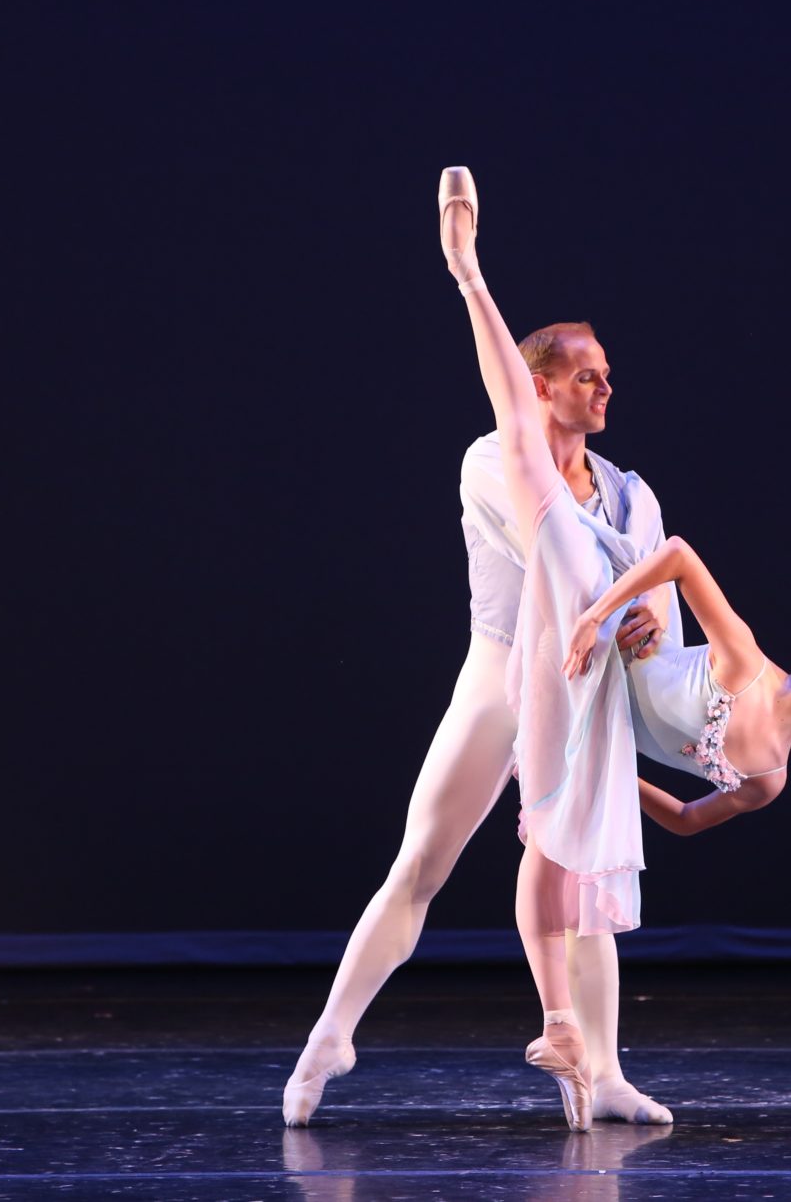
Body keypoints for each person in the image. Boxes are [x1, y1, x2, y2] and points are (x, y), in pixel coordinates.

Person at [437, 166, 791, 1129]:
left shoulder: (771, 777)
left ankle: (589, 1062)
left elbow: (685, 821)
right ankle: (467, 272)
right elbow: (679, 556)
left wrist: (620, 788)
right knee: (553, 843)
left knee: (589, 867)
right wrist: (606, 614)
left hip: (613, 697)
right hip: (610, 645)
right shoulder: (748, 660)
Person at [281, 318, 680, 1128]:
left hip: (583, 689)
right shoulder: (492, 461)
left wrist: (650, 622)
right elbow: (562, 564)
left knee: (587, 887)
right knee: (421, 861)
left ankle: (602, 1071)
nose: (605, 387)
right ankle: (330, 1036)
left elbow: (656, 608)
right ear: (538, 386)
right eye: (585, 375)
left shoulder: (632, 494)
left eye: (606, 374)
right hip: (502, 676)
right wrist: (628, 599)